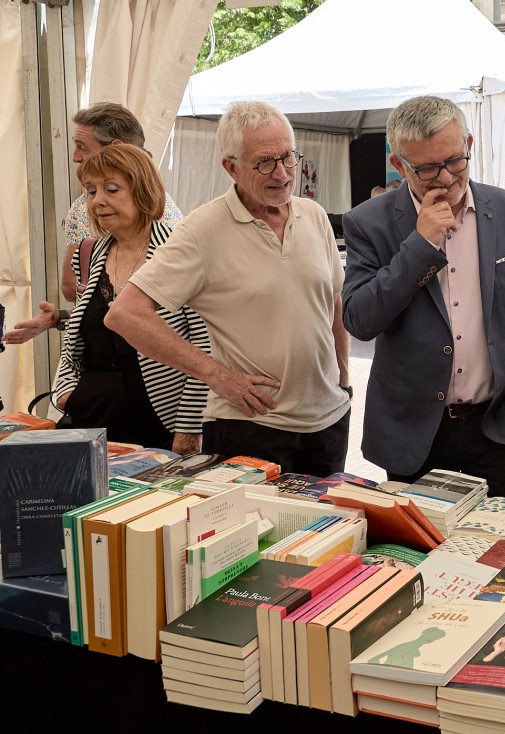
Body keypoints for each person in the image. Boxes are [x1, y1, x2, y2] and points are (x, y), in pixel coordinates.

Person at [105, 101, 352, 476]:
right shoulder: (203, 229)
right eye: (265, 162)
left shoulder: (313, 215)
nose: (283, 173)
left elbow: (333, 301)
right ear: (231, 167)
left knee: (328, 534)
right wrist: (217, 375)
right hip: (253, 427)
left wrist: (344, 378)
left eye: (288, 157)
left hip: (329, 423)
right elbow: (125, 314)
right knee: (259, 535)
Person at [341, 96, 505, 502]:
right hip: (415, 433)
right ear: (399, 165)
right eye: (426, 168)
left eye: (455, 161)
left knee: (504, 554)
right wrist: (420, 243)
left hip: (498, 423)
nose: (444, 178)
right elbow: (360, 320)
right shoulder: (370, 222)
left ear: (469, 144)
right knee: (420, 555)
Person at [48, 144, 209, 453]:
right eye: (91, 191)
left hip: (159, 421)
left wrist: (189, 427)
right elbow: (82, 336)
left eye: (111, 189)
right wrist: (67, 392)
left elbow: (204, 348)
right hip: (91, 420)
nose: (98, 201)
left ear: (142, 190)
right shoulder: (96, 251)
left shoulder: (179, 253)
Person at [3, 103, 184, 344]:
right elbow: (95, 308)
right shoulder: (173, 223)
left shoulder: (179, 252)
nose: (76, 156)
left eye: (81, 146)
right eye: (91, 191)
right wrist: (59, 318)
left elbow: (70, 289)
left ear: (117, 149)